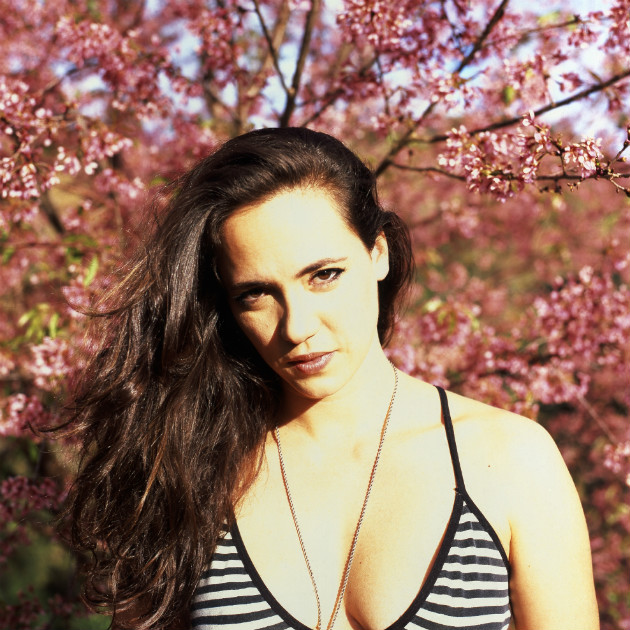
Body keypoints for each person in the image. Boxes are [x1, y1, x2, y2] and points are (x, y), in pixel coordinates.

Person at [64, 127, 599, 630]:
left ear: (378, 253)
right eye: (256, 294)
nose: (296, 327)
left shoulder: (510, 459)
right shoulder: (188, 468)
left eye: (324, 275)